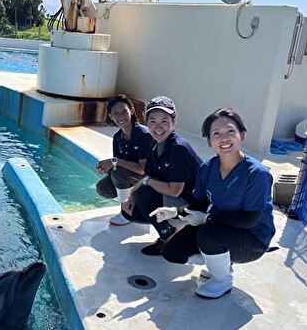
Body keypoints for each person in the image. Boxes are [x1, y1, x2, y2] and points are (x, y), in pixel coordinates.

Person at [150, 108, 275, 298]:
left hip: (252, 239)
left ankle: (222, 279)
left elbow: (249, 220)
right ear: (209, 142)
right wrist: (175, 212)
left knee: (209, 234)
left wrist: (208, 218)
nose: (224, 138)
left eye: (230, 131)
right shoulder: (207, 169)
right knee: (171, 251)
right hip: (220, 229)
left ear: (242, 135)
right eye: (216, 134)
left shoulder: (257, 174)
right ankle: (219, 262)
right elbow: (198, 205)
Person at [121, 96, 203, 255]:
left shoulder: (179, 148)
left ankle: (168, 237)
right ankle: (172, 231)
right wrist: (132, 196)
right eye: (153, 121)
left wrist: (145, 183)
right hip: (176, 200)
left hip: (194, 207)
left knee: (145, 194)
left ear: (174, 121)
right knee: (130, 209)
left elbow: (174, 190)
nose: (158, 127)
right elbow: (149, 176)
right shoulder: (153, 143)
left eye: (165, 121)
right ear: (146, 122)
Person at [95, 94, 152, 226]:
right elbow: (116, 164)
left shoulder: (144, 134)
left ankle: (127, 213)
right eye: (116, 113)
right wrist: (107, 167)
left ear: (131, 110)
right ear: (110, 116)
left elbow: (141, 168)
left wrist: (114, 162)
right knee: (103, 188)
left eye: (124, 112)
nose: (121, 117)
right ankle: (133, 203)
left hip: (149, 181)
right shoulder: (117, 137)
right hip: (133, 178)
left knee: (118, 172)